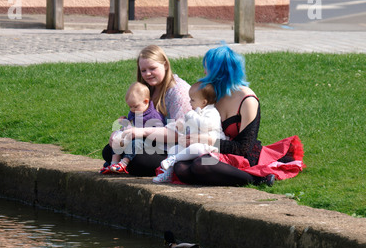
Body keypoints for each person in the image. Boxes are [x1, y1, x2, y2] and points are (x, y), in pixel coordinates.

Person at [173, 44, 305, 186]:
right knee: (180, 168)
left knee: (201, 164)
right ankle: (217, 176)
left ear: (219, 71)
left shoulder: (247, 99)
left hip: (242, 156)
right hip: (214, 151)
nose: (204, 72)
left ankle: (257, 179)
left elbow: (243, 148)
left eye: (208, 69)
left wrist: (205, 140)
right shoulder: (213, 94)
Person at [101, 45, 192, 176]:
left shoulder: (178, 92)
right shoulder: (148, 88)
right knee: (108, 150)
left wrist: (140, 132)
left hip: (175, 149)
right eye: (143, 70)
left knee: (139, 161)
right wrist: (121, 133)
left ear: (165, 65)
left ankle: (121, 165)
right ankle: (120, 164)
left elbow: (178, 134)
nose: (147, 74)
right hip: (149, 143)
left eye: (152, 68)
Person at [153, 81, 227, 183]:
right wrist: (181, 127)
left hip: (208, 145)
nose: (190, 102)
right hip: (193, 142)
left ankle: (174, 159)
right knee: (174, 149)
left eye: (192, 100)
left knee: (197, 149)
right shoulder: (195, 112)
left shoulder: (212, 112)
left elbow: (205, 125)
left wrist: (192, 115)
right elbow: (190, 128)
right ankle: (167, 174)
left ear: (204, 102)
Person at [100, 82, 165, 174]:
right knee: (116, 142)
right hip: (134, 135)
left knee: (135, 143)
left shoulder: (153, 116)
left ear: (145, 101)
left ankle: (124, 162)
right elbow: (130, 123)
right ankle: (113, 163)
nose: (132, 109)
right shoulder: (135, 111)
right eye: (130, 107)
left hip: (149, 141)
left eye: (135, 106)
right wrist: (124, 121)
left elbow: (158, 133)